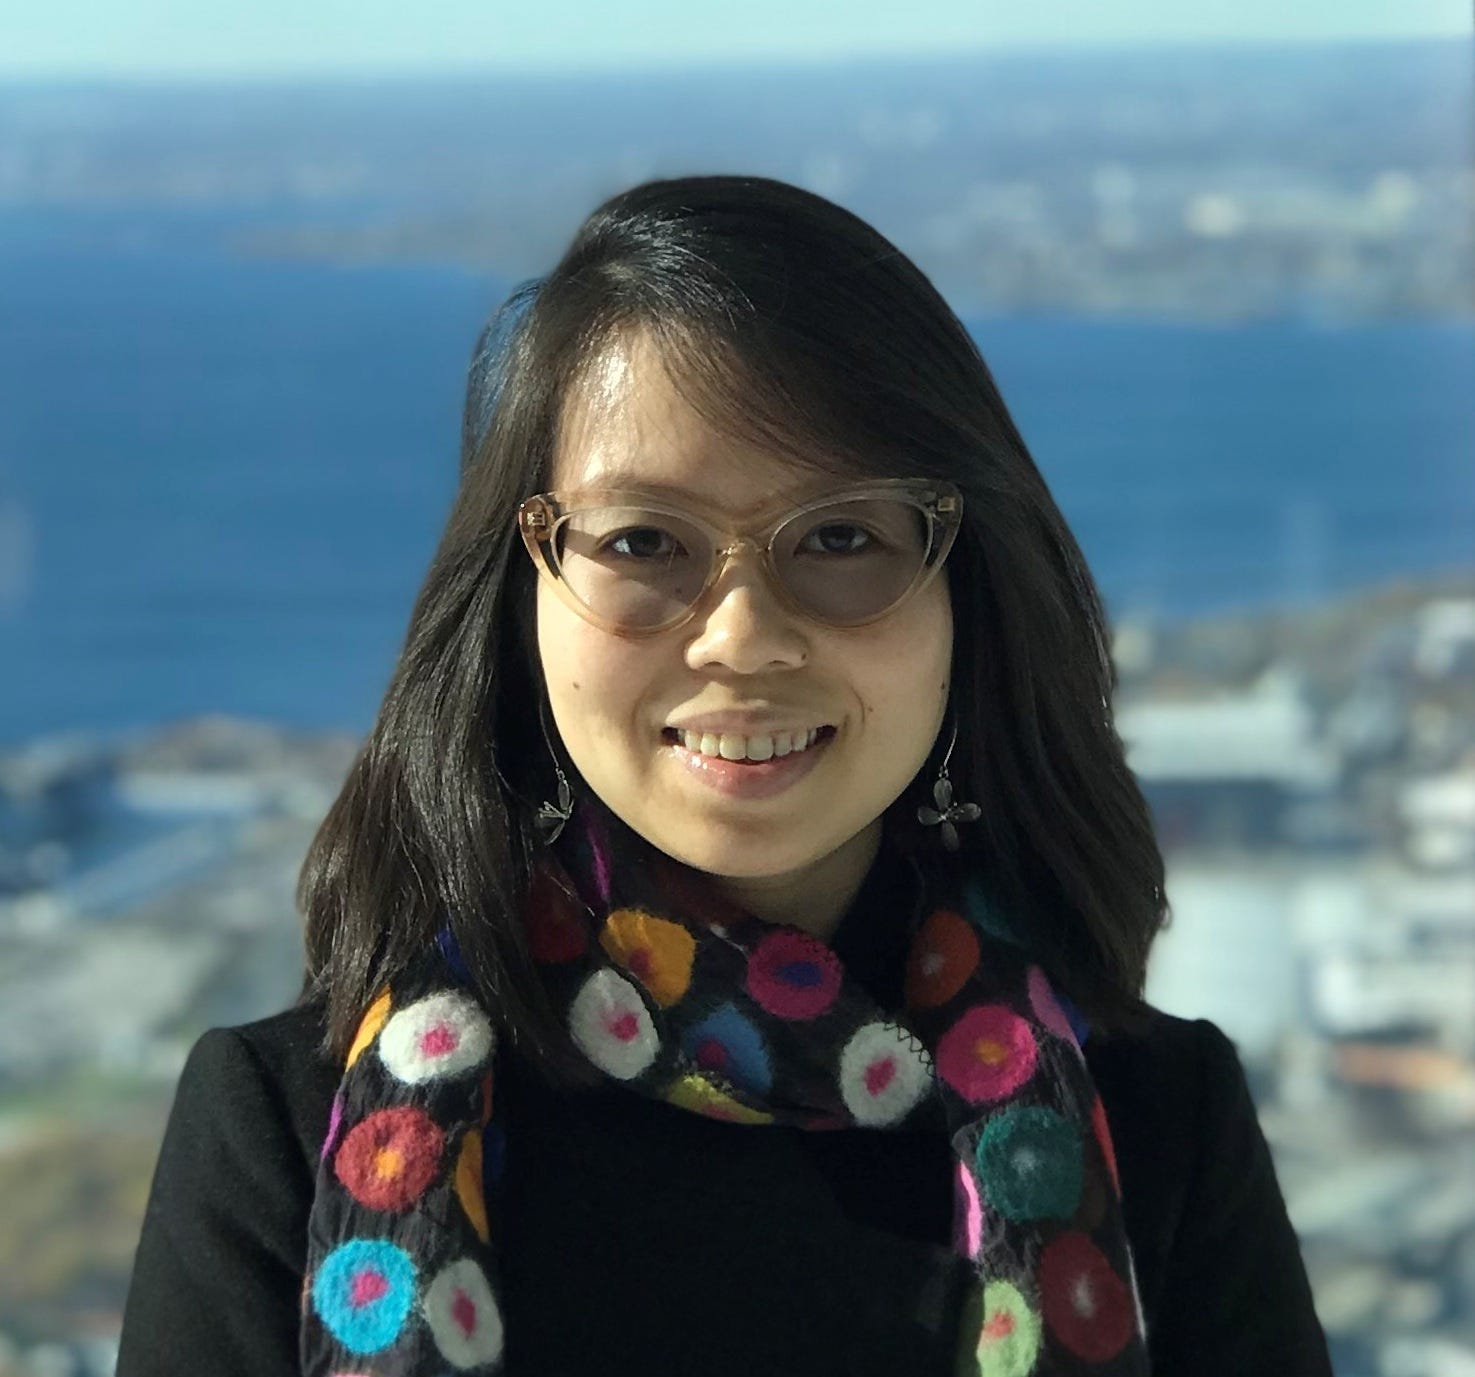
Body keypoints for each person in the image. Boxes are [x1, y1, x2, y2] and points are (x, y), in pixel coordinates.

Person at [118, 174, 1334, 1377]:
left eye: (841, 537)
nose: (740, 636)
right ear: (522, 597)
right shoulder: (287, 1132)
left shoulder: (1159, 1124)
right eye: (643, 541)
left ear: (967, 593)